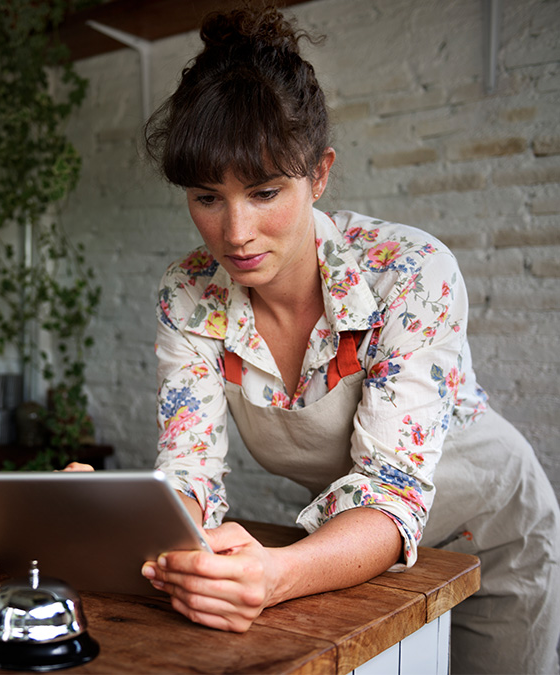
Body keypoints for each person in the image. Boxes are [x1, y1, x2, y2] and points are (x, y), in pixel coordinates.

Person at [128, 5, 560, 674]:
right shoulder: (187, 292)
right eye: (207, 197)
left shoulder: (410, 274)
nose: (235, 232)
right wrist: (142, 522)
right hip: (351, 546)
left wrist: (276, 573)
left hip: (492, 535)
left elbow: (389, 486)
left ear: (319, 173)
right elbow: (191, 470)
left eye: (265, 191)